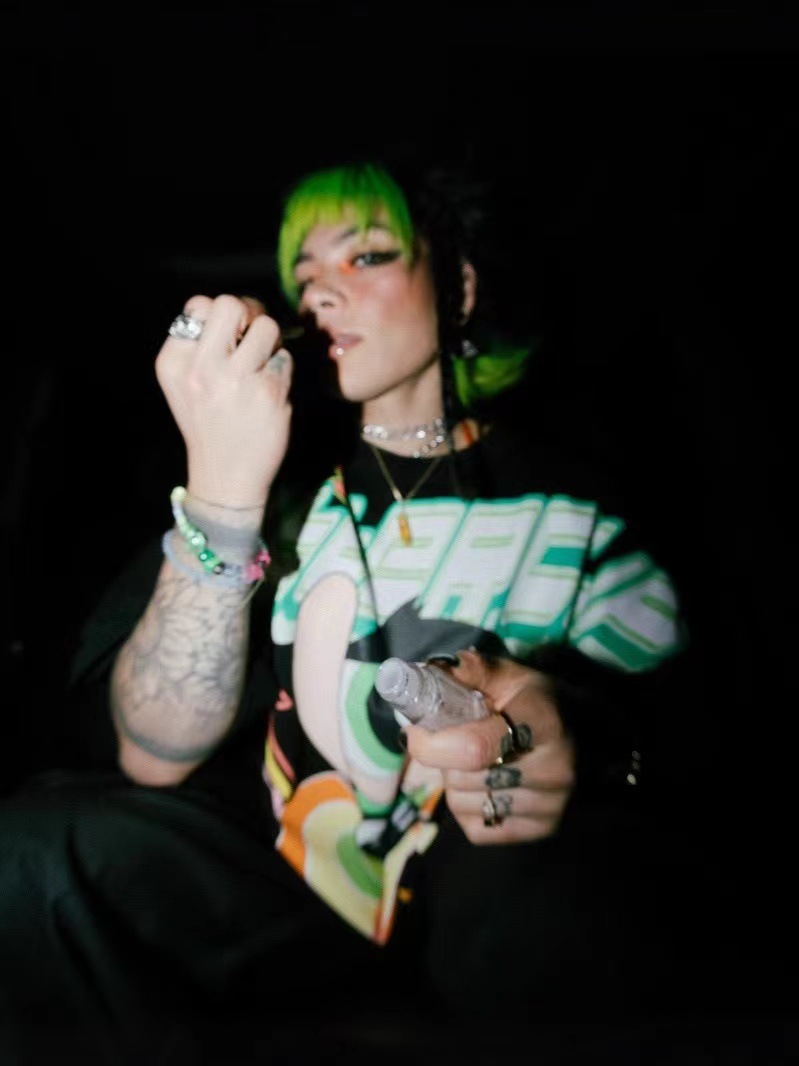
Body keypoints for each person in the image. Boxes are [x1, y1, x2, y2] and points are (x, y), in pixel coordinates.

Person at [0, 158, 688, 1063]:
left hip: (496, 897)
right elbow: (152, 753)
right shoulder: (278, 491)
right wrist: (223, 495)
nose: (321, 291)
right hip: (278, 909)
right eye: (304, 276)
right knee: (36, 852)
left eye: (364, 256)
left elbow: (689, 735)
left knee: (559, 912)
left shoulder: (576, 504)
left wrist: (581, 740)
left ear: (459, 286)